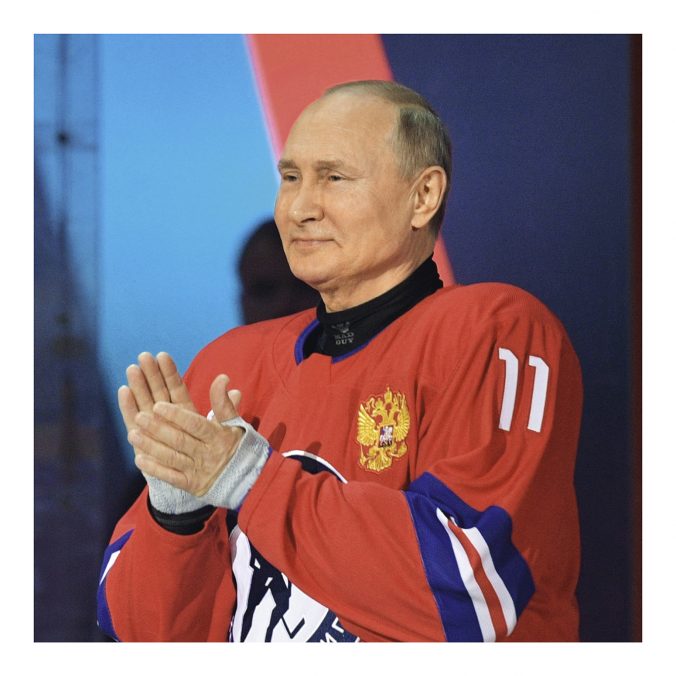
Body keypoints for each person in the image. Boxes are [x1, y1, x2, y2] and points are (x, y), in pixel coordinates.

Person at [96, 80, 582, 642]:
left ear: (423, 196)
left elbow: (470, 595)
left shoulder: (495, 330)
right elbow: (135, 638)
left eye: (334, 178)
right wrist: (175, 520)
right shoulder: (227, 365)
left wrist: (251, 481)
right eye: (290, 178)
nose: (301, 208)